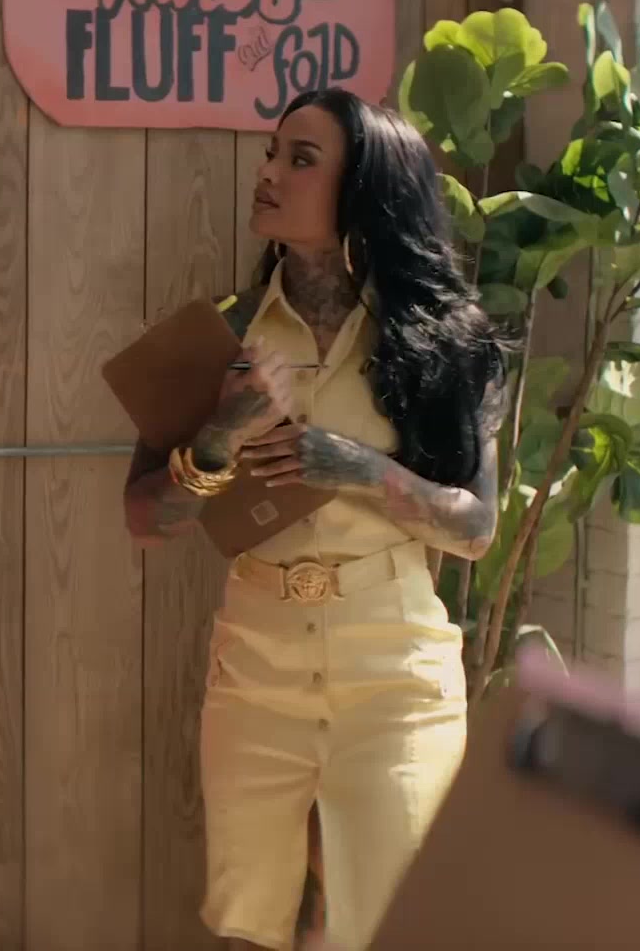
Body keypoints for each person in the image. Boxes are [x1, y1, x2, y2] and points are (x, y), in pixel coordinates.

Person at [122, 87, 504, 950]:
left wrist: (361, 469)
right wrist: (219, 433)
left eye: (300, 159)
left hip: (396, 674)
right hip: (256, 668)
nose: (268, 173)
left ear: (364, 188)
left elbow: (476, 528)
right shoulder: (221, 335)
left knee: (392, 920)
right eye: (272, 153)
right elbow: (146, 519)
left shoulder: (445, 338)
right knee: (255, 920)